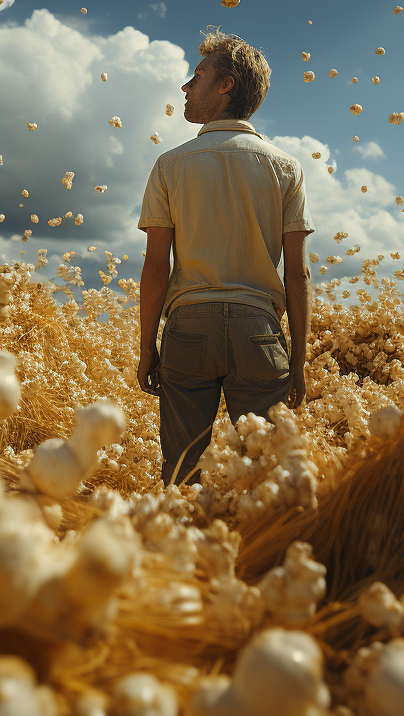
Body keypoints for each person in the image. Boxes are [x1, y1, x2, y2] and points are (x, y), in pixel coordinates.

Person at [137, 28, 315, 485]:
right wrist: (297, 361)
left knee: (182, 475)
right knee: (262, 477)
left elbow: (157, 266)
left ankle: (175, 552)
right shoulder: (286, 167)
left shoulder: (170, 165)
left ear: (226, 85)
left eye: (196, 76)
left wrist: (146, 349)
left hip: (187, 331)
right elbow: (298, 275)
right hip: (260, 332)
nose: (185, 86)